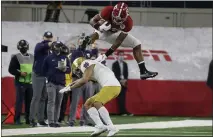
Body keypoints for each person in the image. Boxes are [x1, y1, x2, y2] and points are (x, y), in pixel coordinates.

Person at [81, 2, 158, 80]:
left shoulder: (128, 23)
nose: (116, 20)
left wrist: (105, 55)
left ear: (126, 17)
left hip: (116, 34)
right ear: (113, 12)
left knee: (137, 44)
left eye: (119, 19)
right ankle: (84, 44)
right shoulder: (107, 10)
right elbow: (92, 20)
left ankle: (143, 71)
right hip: (103, 31)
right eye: (115, 17)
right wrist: (99, 27)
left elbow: (119, 41)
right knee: (98, 30)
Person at [60, 57, 121, 137]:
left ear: (79, 65)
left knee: (97, 103)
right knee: (88, 103)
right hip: (112, 86)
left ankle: (112, 127)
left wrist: (70, 87)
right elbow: (82, 80)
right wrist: (69, 85)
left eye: (77, 69)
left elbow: (84, 80)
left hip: (111, 86)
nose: (78, 72)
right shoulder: (91, 65)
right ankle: (100, 126)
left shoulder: (86, 64)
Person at [42, 41, 71, 127]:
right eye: (57, 46)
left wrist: (64, 70)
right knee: (51, 101)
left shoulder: (65, 57)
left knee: (58, 103)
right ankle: (51, 121)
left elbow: (69, 70)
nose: (59, 48)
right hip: (51, 82)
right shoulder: (48, 58)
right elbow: (43, 70)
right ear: (54, 47)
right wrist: (50, 75)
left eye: (60, 46)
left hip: (61, 83)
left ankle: (56, 121)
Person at [68, 33, 95, 127]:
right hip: (78, 79)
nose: (83, 42)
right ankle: (71, 120)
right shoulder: (75, 52)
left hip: (87, 80)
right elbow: (73, 66)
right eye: (81, 40)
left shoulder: (89, 53)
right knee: (75, 100)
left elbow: (92, 65)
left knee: (87, 101)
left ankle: (85, 120)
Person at [29, 31, 53, 127]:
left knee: (43, 98)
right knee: (36, 97)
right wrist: (50, 43)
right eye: (47, 37)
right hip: (38, 75)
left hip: (46, 76)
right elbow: (43, 46)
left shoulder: (50, 50)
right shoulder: (39, 45)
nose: (48, 38)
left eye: (49, 37)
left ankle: (41, 119)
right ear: (43, 37)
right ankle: (31, 119)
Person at [8, 40, 33, 125]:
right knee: (19, 102)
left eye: (24, 47)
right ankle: (17, 119)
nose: (24, 48)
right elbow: (11, 69)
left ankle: (28, 119)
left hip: (30, 82)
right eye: (22, 47)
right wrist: (19, 73)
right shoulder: (16, 57)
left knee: (29, 102)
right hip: (20, 82)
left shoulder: (32, 57)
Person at [112, 51, 132, 116]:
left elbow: (126, 73)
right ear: (118, 56)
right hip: (118, 83)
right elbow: (114, 73)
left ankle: (124, 111)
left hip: (124, 83)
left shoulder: (125, 64)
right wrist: (120, 80)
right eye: (120, 55)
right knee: (120, 98)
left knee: (123, 97)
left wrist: (125, 80)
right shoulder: (114, 64)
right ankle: (121, 112)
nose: (121, 56)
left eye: (122, 55)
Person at [58, 45, 72, 123]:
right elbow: (63, 70)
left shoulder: (67, 59)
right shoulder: (62, 59)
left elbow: (68, 71)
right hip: (62, 82)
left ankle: (61, 118)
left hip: (67, 83)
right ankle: (59, 118)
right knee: (60, 102)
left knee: (63, 102)